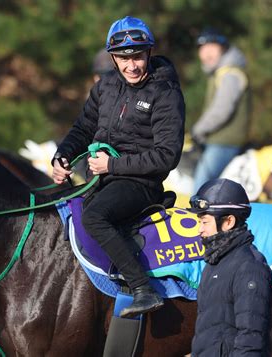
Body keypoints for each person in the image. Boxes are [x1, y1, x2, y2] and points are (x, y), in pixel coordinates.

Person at [51, 16, 185, 318]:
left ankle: (143, 289)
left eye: (137, 56)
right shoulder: (105, 87)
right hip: (101, 179)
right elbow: (83, 129)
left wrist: (112, 165)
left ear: (149, 53)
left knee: (95, 218)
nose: (132, 66)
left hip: (141, 184)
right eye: (123, 59)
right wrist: (62, 156)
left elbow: (167, 155)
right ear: (113, 58)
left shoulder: (166, 93)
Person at [188, 178, 272, 356]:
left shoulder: (250, 267)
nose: (199, 230)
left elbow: (251, 338)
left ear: (228, 222)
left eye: (204, 222)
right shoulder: (214, 262)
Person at [192, 28, 251, 193]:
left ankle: (195, 218)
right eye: (202, 49)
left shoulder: (230, 73)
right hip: (218, 140)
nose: (206, 54)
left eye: (212, 47)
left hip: (224, 142)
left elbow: (221, 110)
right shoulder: (220, 73)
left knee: (200, 189)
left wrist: (198, 130)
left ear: (223, 49)